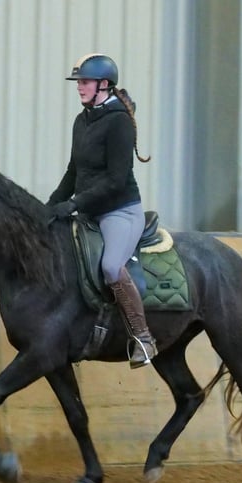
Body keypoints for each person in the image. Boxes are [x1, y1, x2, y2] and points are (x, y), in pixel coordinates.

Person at [46, 53, 156, 369]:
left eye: (85, 82)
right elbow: (72, 171)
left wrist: (76, 204)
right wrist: (51, 206)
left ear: (103, 85)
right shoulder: (82, 120)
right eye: (79, 82)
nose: (79, 87)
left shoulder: (119, 121)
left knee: (110, 267)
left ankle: (143, 338)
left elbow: (116, 179)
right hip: (89, 211)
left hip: (119, 211)